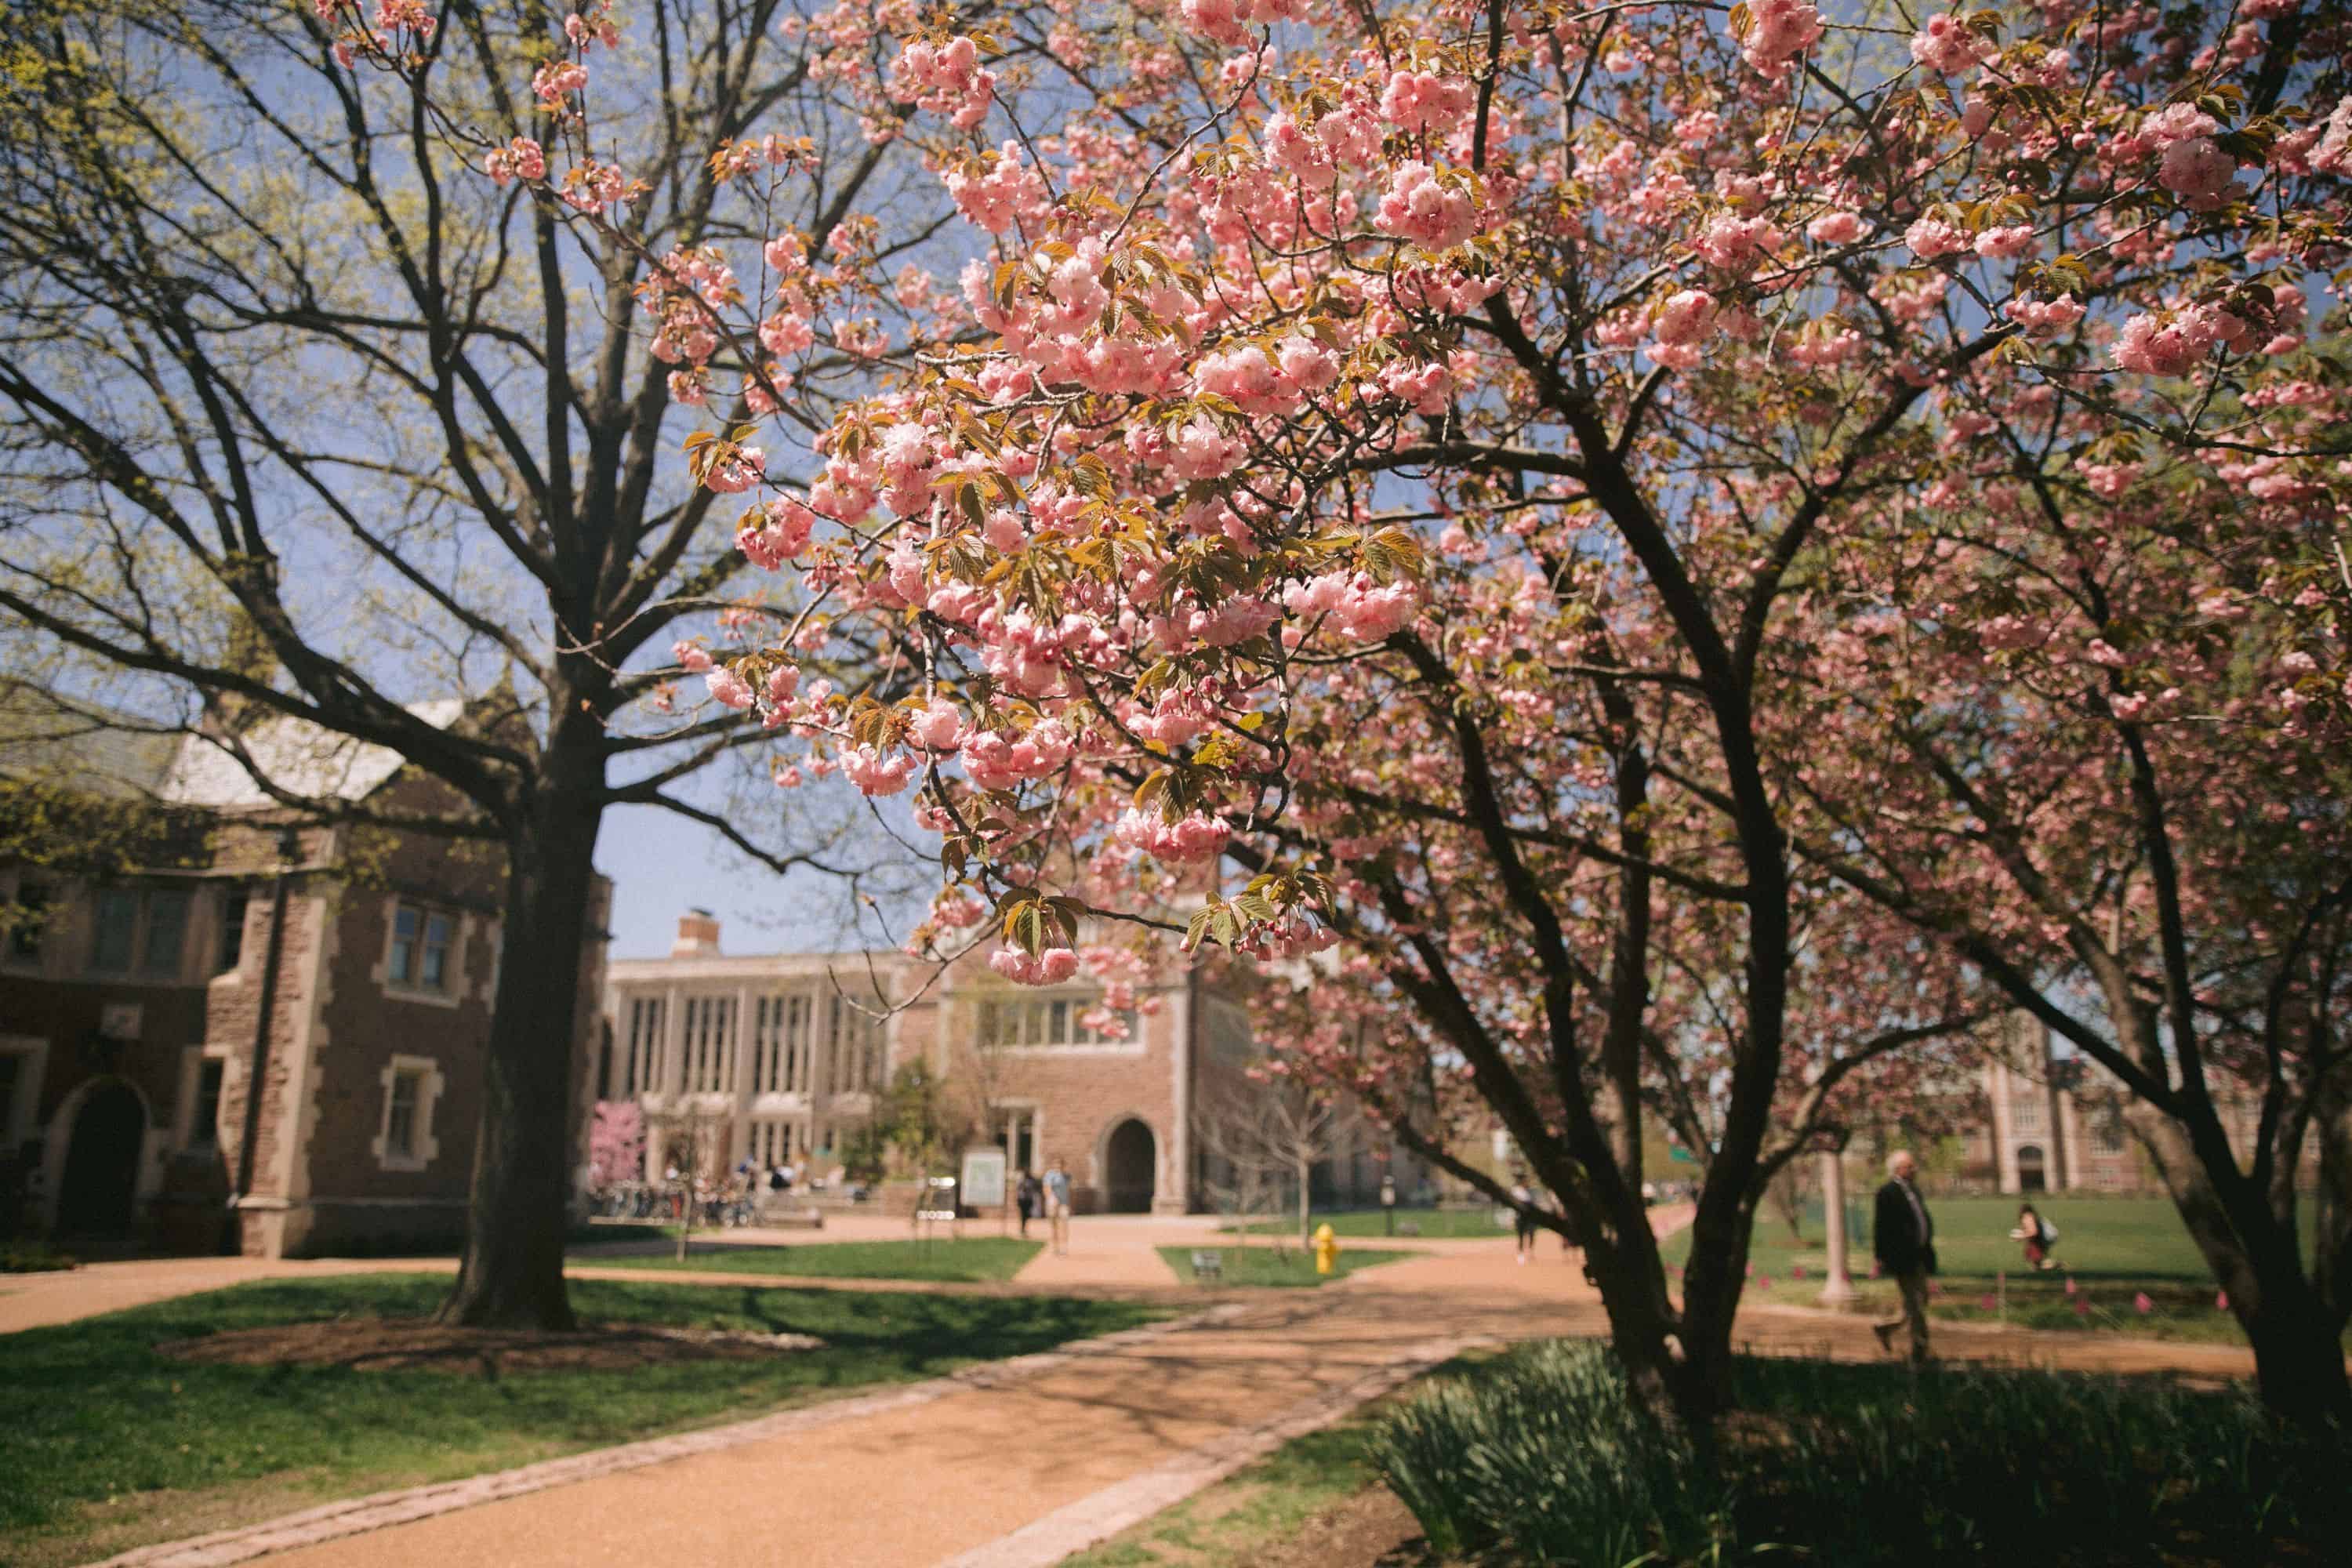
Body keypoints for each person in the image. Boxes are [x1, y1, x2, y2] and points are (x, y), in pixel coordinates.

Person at [1871, 1150, 1937, 1363]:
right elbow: (1881, 1227)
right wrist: (1880, 1257)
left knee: (1919, 1301)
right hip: (1902, 1258)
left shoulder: (1914, 1191)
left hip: (1920, 1255)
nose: (1914, 1169)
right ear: (1898, 1169)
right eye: (1910, 1166)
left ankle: (1886, 1328)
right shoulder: (1887, 1193)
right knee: (1915, 1304)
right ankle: (1920, 1350)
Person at [2010, 1203, 2060, 1271]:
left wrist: (2022, 1236)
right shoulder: (2030, 1217)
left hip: (2038, 1243)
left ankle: (2055, 1265)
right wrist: (2020, 1236)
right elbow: (2030, 1231)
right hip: (2038, 1242)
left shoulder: (2029, 1217)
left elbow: (2034, 1232)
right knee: (2037, 1263)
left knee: (2037, 1263)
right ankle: (2054, 1265)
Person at [1043, 1156, 1072, 1255]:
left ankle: (1064, 1247)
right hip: (1053, 1203)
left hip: (1064, 1204)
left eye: (1060, 1164)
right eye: (1056, 1164)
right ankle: (1055, 1247)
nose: (1058, 1166)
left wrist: (1070, 1204)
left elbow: (1069, 1190)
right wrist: (1051, 1199)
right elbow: (1047, 1188)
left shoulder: (1067, 1176)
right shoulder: (1049, 1175)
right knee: (1054, 1226)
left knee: (1064, 1224)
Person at [1509, 1178, 1537, 1265]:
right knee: (1521, 1236)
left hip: (1530, 1217)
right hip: (1520, 1217)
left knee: (1531, 1234)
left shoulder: (1531, 1192)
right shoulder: (1517, 1192)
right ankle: (1521, 1254)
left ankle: (1530, 1251)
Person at [1015, 1168, 1043, 1239]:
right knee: (1023, 1215)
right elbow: (1019, 1190)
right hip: (1023, 1200)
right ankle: (1022, 1229)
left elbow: (1036, 1188)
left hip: (1028, 1200)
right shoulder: (1022, 1181)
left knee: (1027, 1215)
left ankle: (1024, 1229)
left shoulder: (1032, 1181)